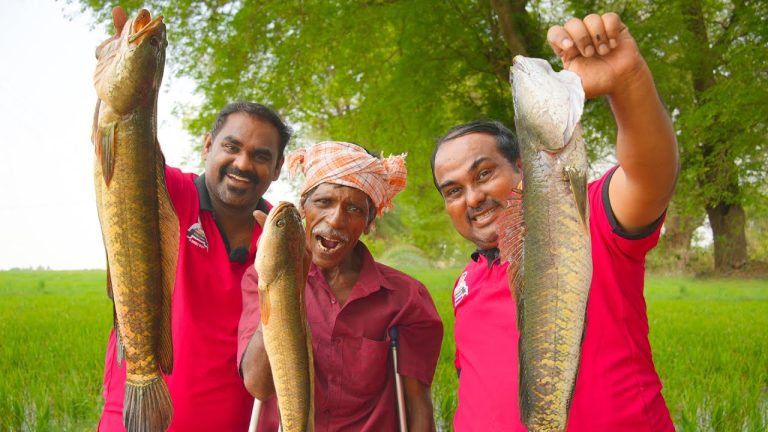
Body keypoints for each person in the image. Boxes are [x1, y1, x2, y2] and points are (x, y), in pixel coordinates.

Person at [430, 13, 678, 431]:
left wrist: (629, 80)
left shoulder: (586, 216)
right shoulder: (463, 286)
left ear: (523, 167)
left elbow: (649, 175)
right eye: (453, 190)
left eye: (484, 173)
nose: (472, 197)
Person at [98, 99, 291, 430]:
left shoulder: (281, 235)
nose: (243, 164)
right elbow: (122, 143)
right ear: (208, 145)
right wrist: (128, 79)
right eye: (232, 147)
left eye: (261, 156)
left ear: (277, 168)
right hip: (134, 421)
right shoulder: (169, 193)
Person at [238, 141, 444, 431]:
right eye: (323, 202)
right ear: (303, 208)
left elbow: (416, 402)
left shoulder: (406, 297)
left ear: (369, 223)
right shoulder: (260, 278)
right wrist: (285, 283)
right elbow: (258, 385)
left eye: (354, 209)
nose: (336, 219)